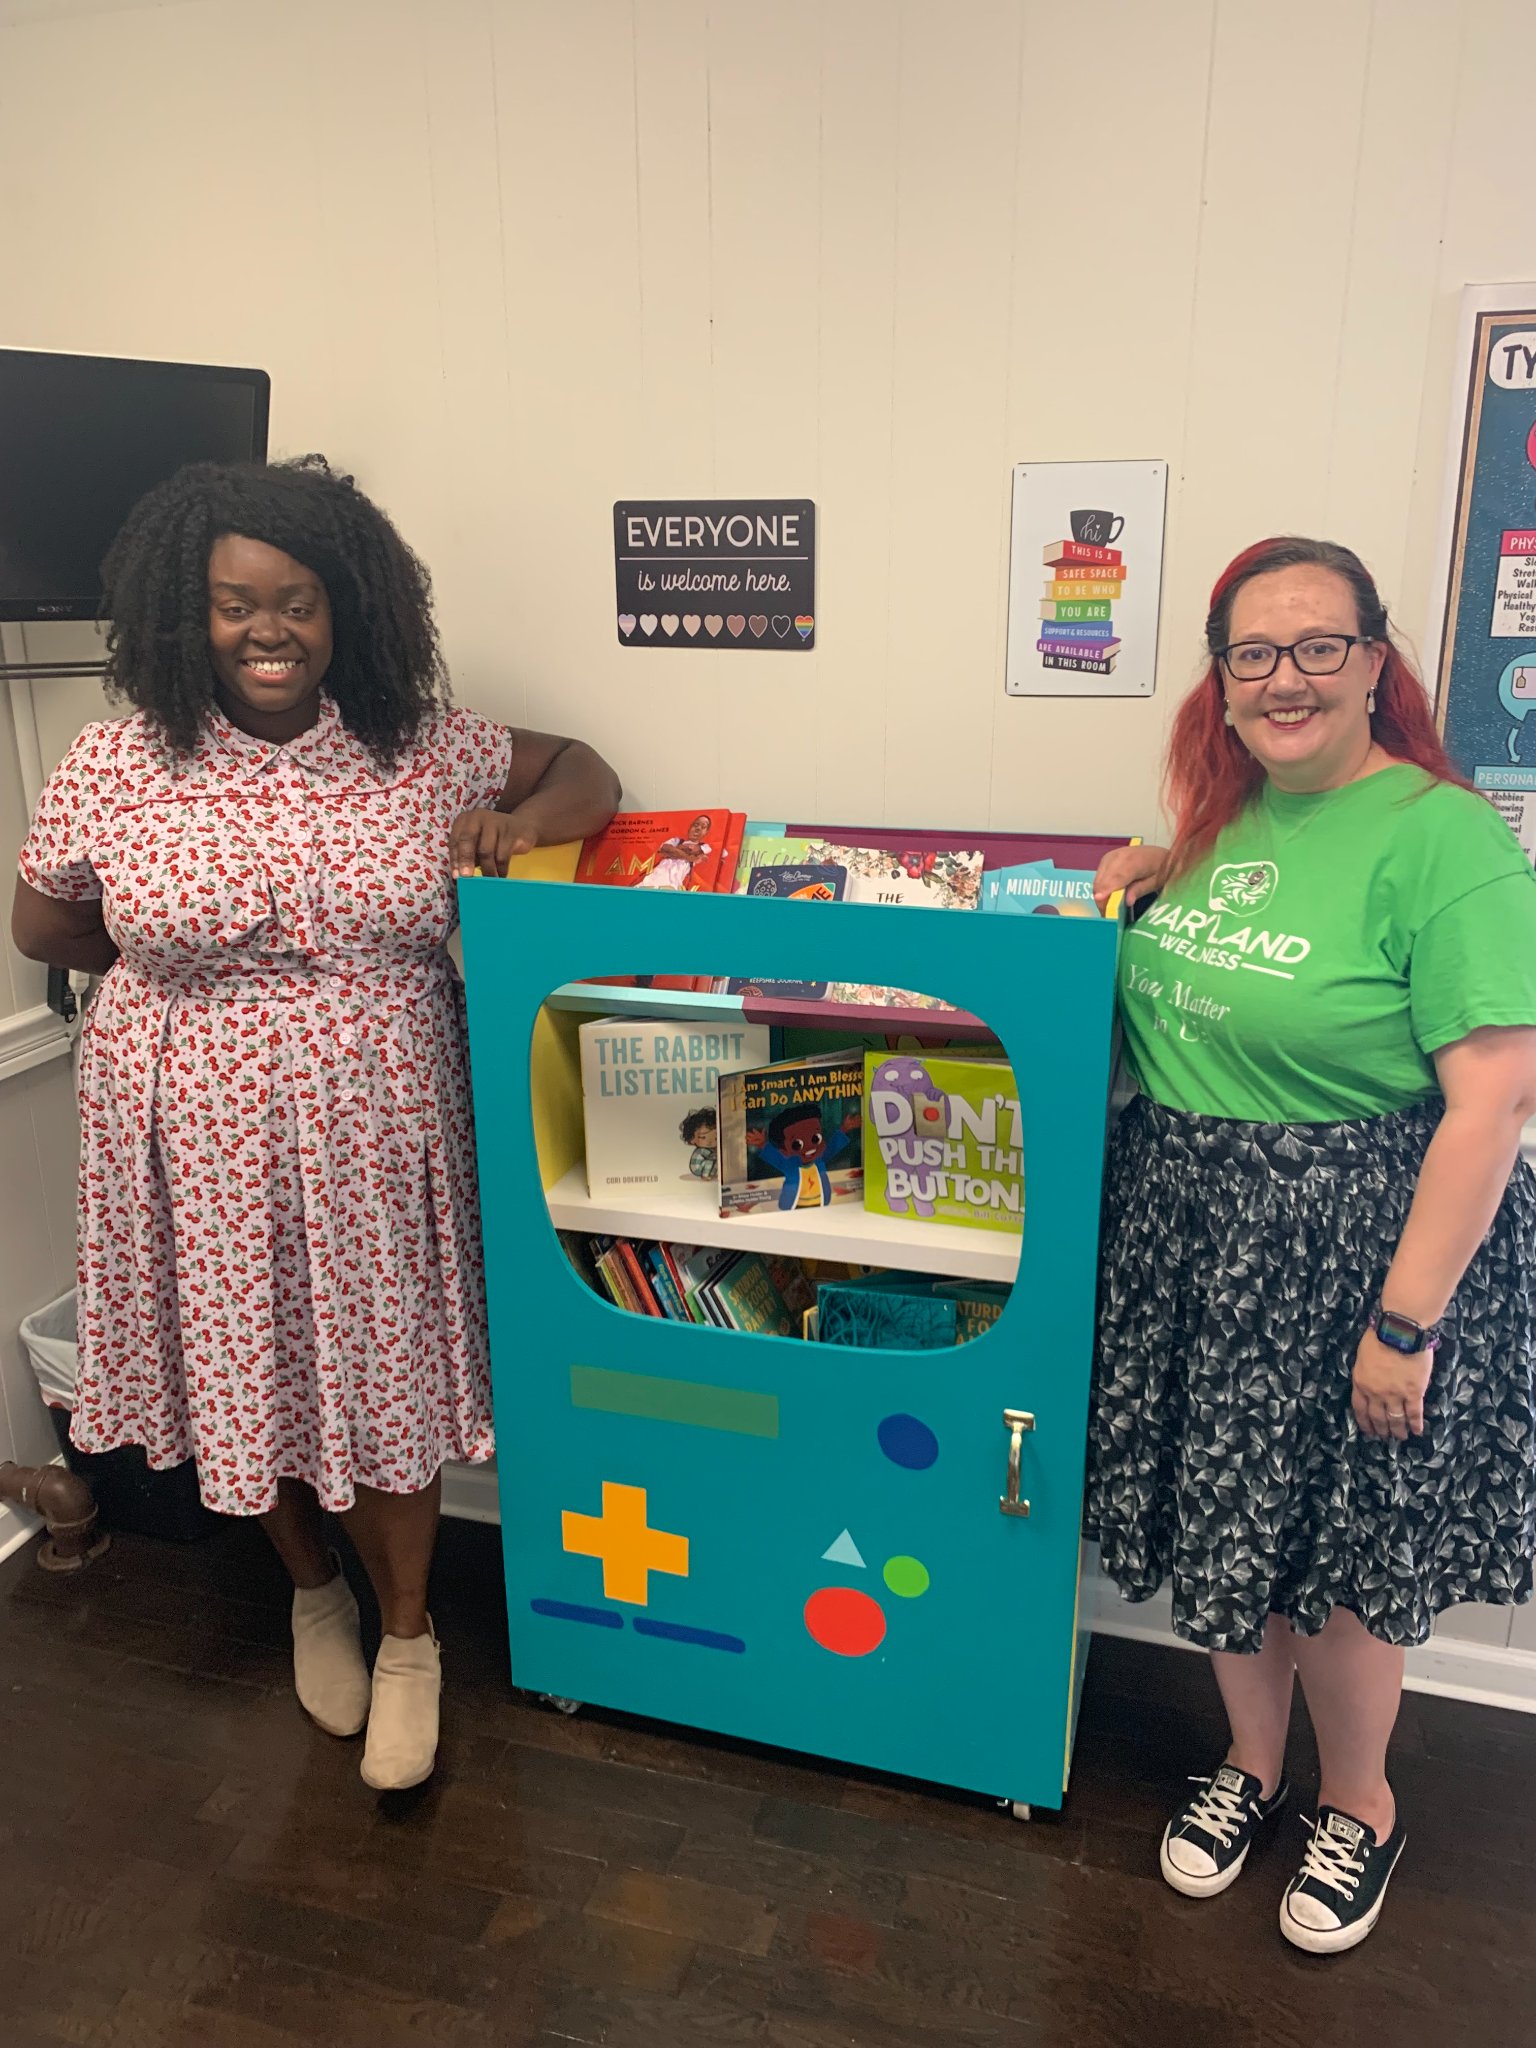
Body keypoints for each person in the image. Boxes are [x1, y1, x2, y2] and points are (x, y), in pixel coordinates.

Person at [11, 458, 620, 1792]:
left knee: (387, 1372)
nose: (267, 631)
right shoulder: (116, 761)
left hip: (379, 1131)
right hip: (188, 1137)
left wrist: (513, 823)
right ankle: (312, 1592)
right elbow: (46, 922)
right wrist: (189, 985)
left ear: (346, 608)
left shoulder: (422, 745)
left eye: (296, 602)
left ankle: (409, 1638)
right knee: (242, 1371)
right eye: (235, 604)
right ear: (187, 613)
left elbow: (588, 772)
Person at [1090, 536, 1536, 1954]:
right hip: (1195, 1239)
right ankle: (1251, 1765)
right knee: (1226, 1519)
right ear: (1222, 680)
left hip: (1355, 1252)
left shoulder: (1445, 836)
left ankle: (1359, 1805)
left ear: (1374, 662)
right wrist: (1148, 881)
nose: (1285, 679)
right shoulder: (1226, 813)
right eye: (1253, 654)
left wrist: (1404, 1325)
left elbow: (1494, 1101)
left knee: (1342, 1555)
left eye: (1317, 647)